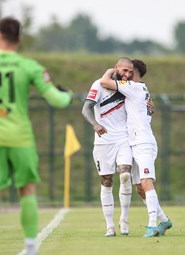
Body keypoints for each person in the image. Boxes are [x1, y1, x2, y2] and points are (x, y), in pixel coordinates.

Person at [0, 17, 73, 255]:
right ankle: (30, 248)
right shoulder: (29, 66)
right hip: (20, 138)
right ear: (19, 40)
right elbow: (57, 100)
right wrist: (66, 94)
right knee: (27, 191)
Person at [100, 59, 172, 238]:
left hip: (143, 142)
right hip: (134, 142)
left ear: (134, 73)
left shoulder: (133, 86)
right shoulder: (141, 88)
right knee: (140, 187)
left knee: (147, 182)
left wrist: (112, 70)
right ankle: (164, 220)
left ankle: (151, 226)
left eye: (129, 71)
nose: (125, 74)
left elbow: (104, 81)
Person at [81, 57, 135, 237]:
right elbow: (86, 108)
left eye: (130, 71)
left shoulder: (129, 86)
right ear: (115, 69)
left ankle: (124, 220)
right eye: (124, 70)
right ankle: (109, 226)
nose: (127, 74)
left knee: (126, 174)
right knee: (106, 180)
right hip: (103, 141)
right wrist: (95, 124)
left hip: (123, 139)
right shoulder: (99, 84)